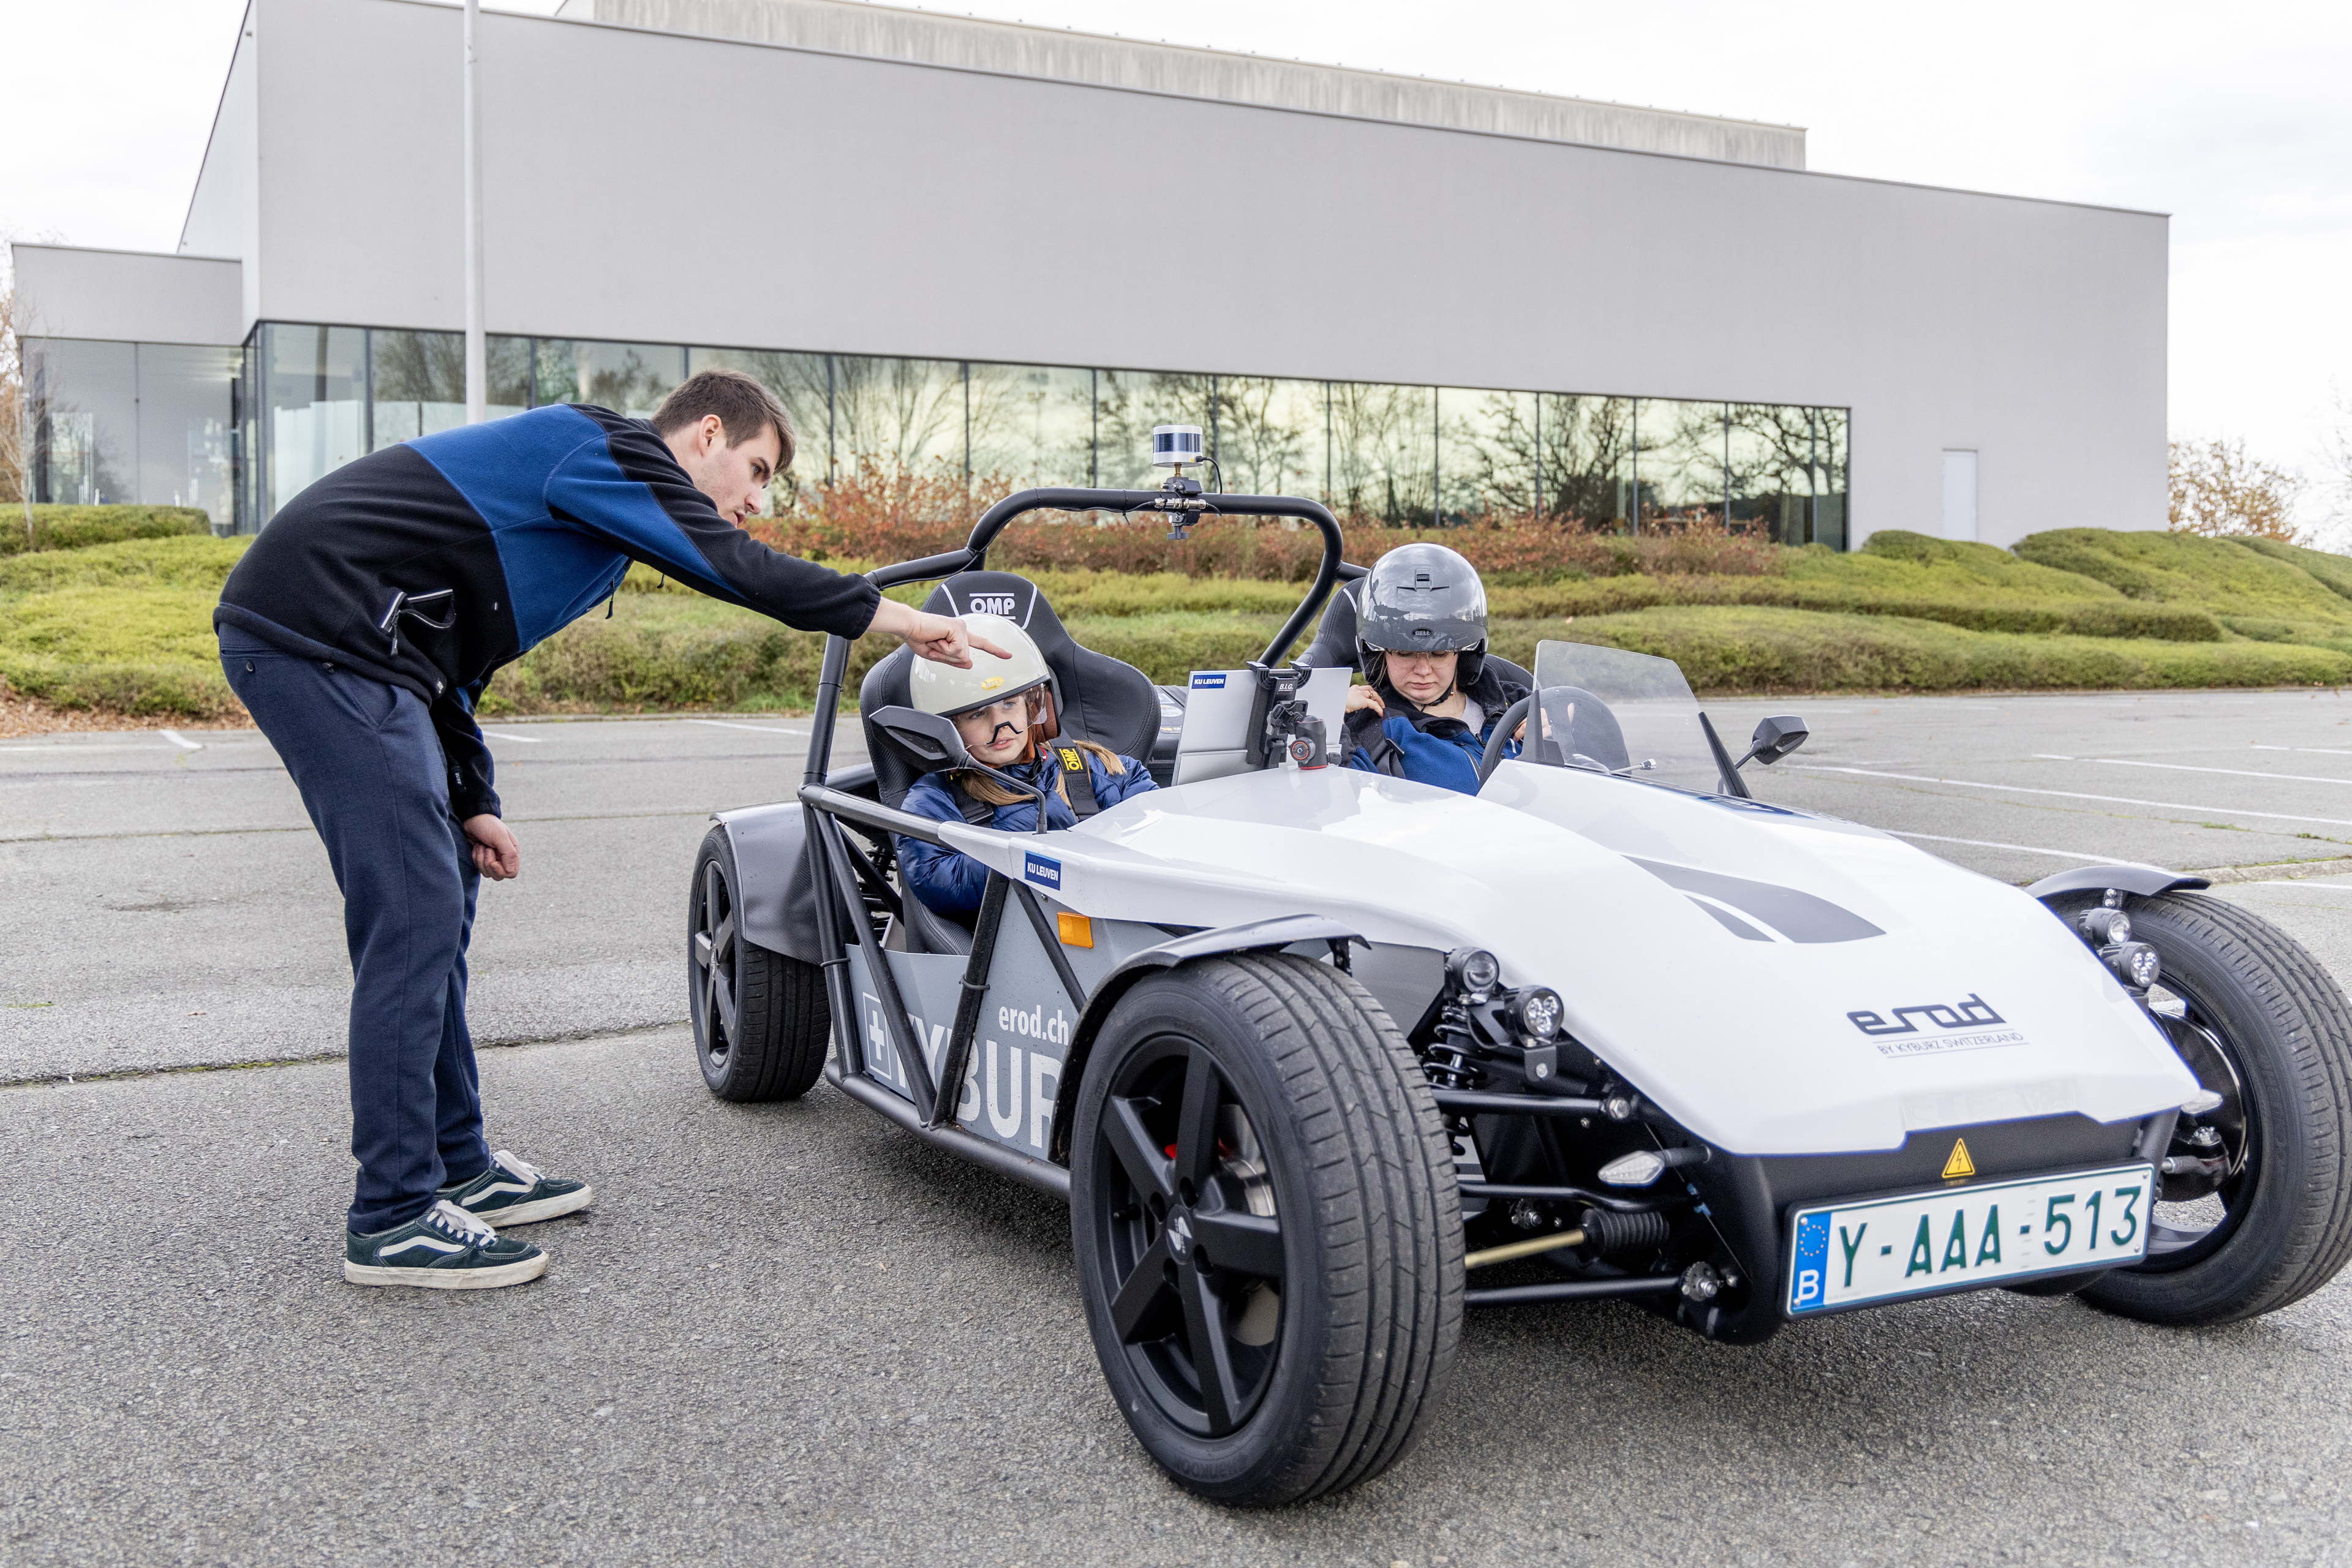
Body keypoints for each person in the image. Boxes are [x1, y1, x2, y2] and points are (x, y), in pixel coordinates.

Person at [214, 368, 1001, 1291]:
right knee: (413, 912)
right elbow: (736, 568)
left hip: (375, 660)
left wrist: (473, 795)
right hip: (316, 638)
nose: (755, 500)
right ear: (706, 434)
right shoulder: (604, 450)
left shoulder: (596, 525)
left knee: (443, 897)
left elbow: (457, 658)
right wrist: (899, 620)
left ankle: (456, 1162)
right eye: (756, 470)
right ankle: (390, 1215)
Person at [897, 614, 1157, 915]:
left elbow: (1156, 831)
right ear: (948, 727)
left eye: (1010, 705)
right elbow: (940, 882)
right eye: (977, 715)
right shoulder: (935, 798)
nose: (1001, 726)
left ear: (1035, 705)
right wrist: (1046, 833)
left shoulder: (1094, 766)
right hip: (1030, 939)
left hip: (1124, 916)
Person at [1340, 542, 1529, 795]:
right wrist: (1331, 716)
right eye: (1404, 653)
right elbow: (1332, 795)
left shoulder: (1512, 702)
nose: (1423, 670)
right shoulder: (1373, 731)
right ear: (1379, 652)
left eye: (1439, 653)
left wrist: (1557, 726)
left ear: (1463, 653)